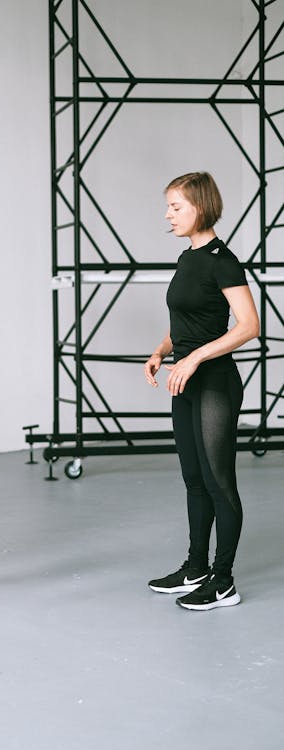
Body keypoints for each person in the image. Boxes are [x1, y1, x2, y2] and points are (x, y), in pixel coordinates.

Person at [144, 171, 260, 611]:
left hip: (214, 383)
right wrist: (162, 349)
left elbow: (249, 326)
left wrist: (193, 359)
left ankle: (224, 581)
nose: (168, 214)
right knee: (194, 481)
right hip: (186, 382)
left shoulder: (222, 261)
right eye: (169, 206)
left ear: (201, 207)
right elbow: (188, 324)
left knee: (218, 483)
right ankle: (196, 568)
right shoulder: (186, 259)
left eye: (176, 206)